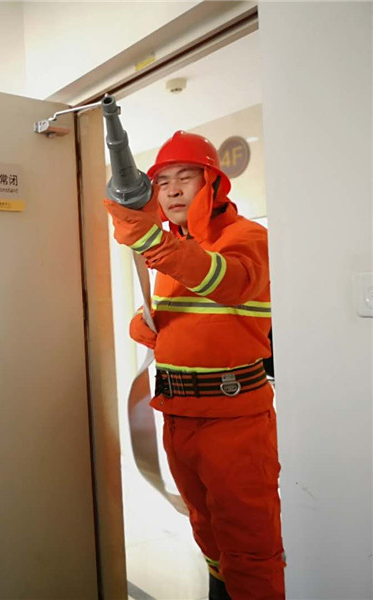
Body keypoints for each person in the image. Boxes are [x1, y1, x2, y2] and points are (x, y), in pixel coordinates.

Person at [105, 131, 285, 600]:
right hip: (178, 415)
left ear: (213, 183)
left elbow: (224, 281)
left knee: (251, 546)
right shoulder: (175, 249)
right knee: (206, 531)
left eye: (185, 177)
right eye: (162, 182)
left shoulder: (248, 239)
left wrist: (152, 240)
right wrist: (145, 323)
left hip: (234, 422)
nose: (172, 190)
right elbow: (182, 311)